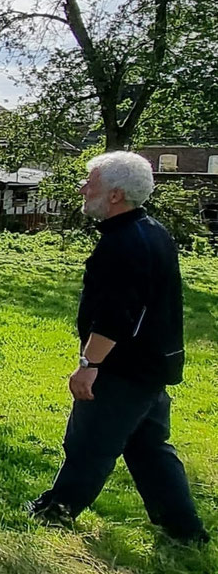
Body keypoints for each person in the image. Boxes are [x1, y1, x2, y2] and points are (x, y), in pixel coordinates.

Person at [27, 151, 208, 546]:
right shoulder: (153, 231)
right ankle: (185, 529)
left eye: (90, 182)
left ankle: (56, 511)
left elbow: (117, 317)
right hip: (153, 366)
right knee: (148, 447)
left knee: (90, 442)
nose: (82, 188)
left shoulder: (123, 244)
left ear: (114, 195)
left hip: (123, 369)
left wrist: (89, 364)